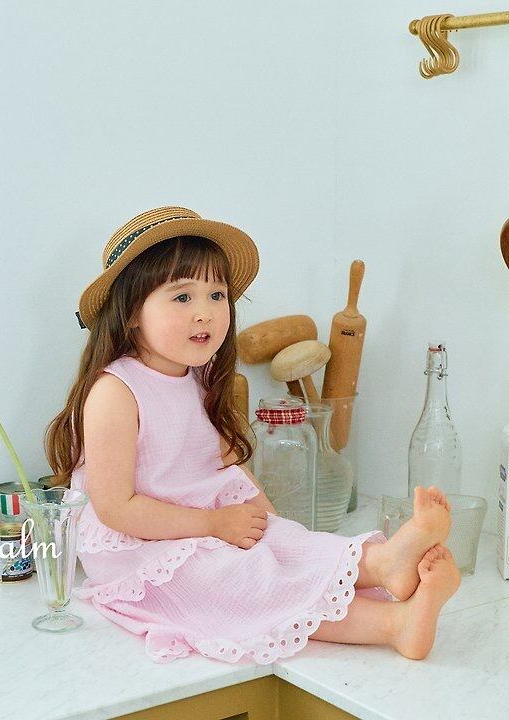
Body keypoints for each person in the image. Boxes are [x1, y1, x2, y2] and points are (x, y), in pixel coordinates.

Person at [45, 205, 461, 665]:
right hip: (138, 550)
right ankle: (393, 624)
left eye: (216, 295)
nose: (205, 313)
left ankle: (383, 563)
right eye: (182, 297)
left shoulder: (198, 379)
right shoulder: (115, 392)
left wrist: (273, 528)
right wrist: (213, 526)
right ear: (130, 314)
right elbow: (116, 509)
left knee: (281, 547)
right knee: (235, 581)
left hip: (204, 522)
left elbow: (227, 463)